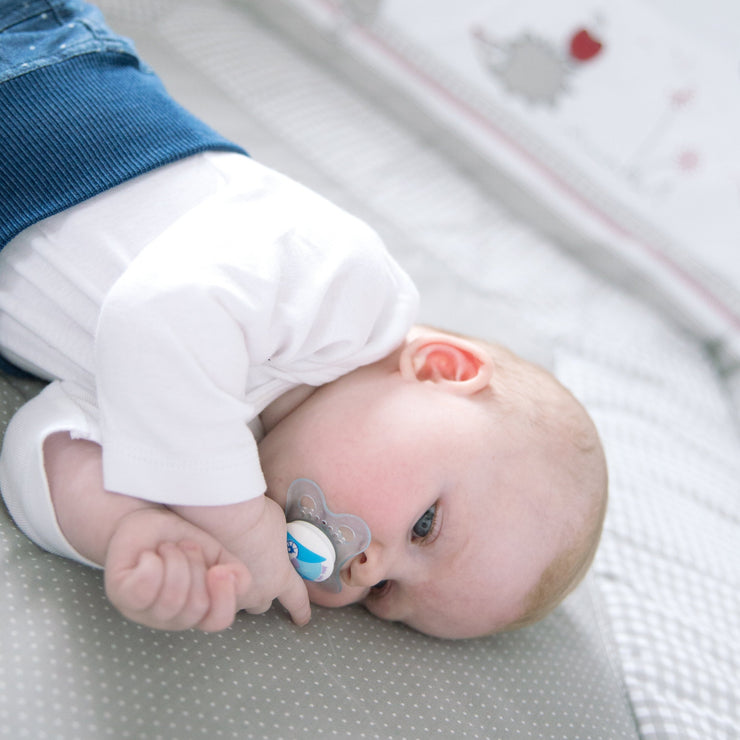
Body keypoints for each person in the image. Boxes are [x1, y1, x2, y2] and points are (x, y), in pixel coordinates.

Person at [0, 0, 608, 639]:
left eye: (387, 594)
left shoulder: (209, 434)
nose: (367, 570)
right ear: (440, 368)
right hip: (33, 74)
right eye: (425, 525)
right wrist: (232, 517)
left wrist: (128, 528)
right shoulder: (345, 292)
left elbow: (44, 438)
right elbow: (156, 313)